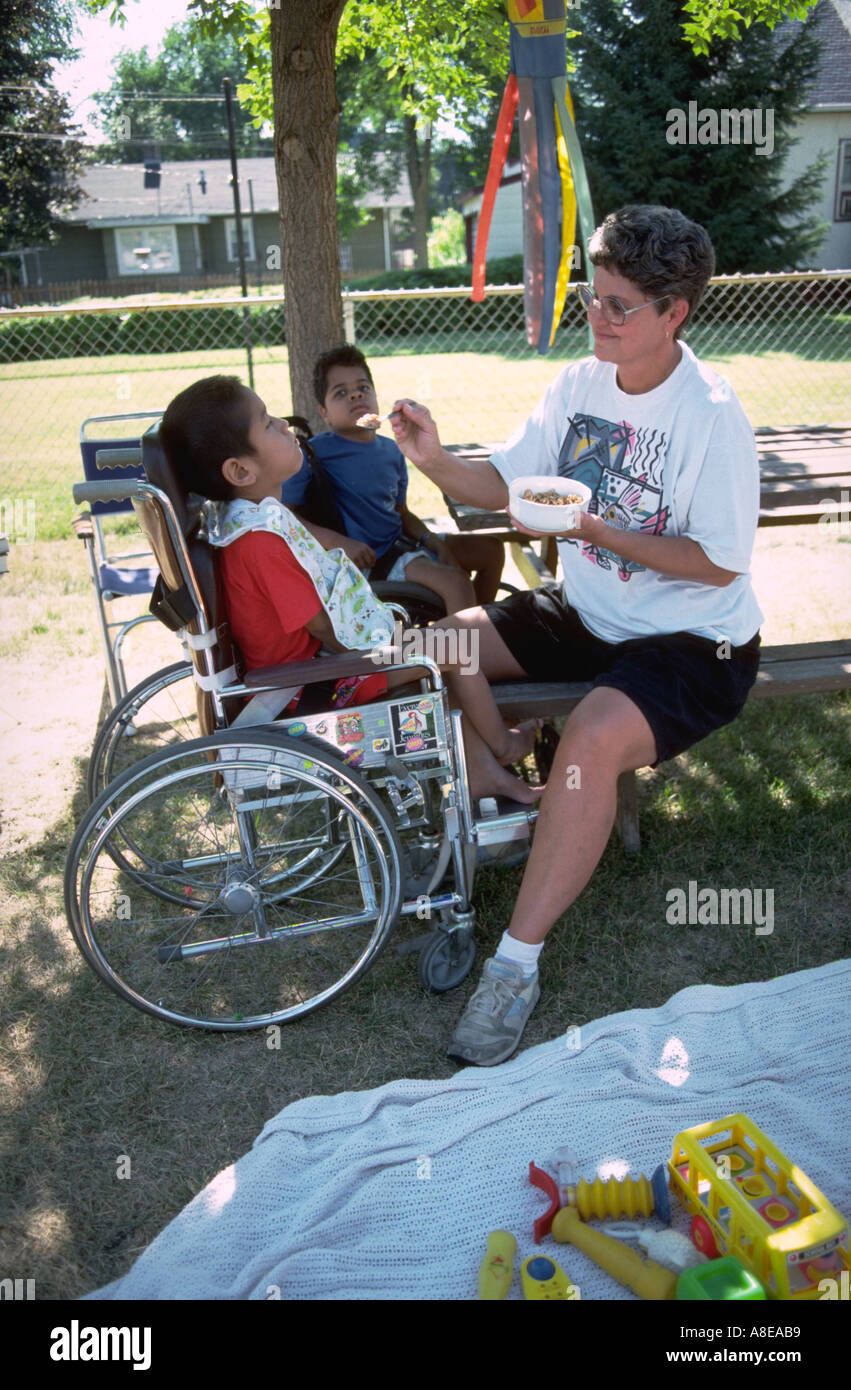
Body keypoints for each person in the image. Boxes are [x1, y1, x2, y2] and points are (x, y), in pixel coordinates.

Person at [390, 204, 764, 1067]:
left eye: (619, 305)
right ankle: (490, 773)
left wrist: (598, 533)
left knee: (590, 740)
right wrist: (436, 460)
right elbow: (507, 485)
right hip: (588, 611)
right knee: (434, 644)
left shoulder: (711, 412)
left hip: (692, 640)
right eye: (590, 297)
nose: (597, 316)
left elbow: (715, 565)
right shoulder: (577, 386)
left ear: (674, 313)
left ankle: (513, 968)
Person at [159, 374, 542, 804]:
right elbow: (324, 627)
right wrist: (380, 644)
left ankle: (488, 776)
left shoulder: (252, 522)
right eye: (267, 423)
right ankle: (504, 746)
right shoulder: (258, 542)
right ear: (241, 470)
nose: (286, 425)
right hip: (314, 685)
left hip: (313, 671)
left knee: (439, 649)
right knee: (456, 646)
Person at [281, 345, 506, 608]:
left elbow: (401, 513)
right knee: (456, 584)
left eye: (363, 388)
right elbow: (284, 516)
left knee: (492, 550)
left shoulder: (392, 450)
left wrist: (433, 542)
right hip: (374, 560)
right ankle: (462, 645)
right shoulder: (312, 456)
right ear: (324, 413)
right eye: (341, 392)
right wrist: (338, 542)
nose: (355, 395)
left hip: (403, 542)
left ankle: (472, 629)